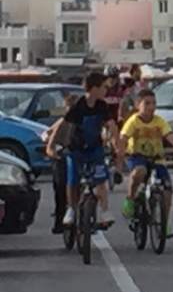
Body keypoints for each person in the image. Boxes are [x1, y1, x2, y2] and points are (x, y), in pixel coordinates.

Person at [45, 72, 124, 228]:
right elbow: (61, 124)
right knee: (73, 179)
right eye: (103, 87)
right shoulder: (79, 106)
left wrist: (118, 145)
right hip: (76, 148)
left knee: (100, 180)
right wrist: (51, 145)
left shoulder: (101, 106)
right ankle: (71, 208)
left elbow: (112, 126)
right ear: (94, 88)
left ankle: (104, 210)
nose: (106, 90)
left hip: (95, 148)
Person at [120, 89, 173, 238]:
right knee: (140, 171)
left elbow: (169, 134)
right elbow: (123, 138)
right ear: (138, 104)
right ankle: (130, 199)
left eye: (154, 103)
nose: (151, 107)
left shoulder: (159, 121)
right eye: (147, 103)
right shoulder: (133, 121)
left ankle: (163, 223)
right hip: (137, 156)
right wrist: (121, 151)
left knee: (166, 190)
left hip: (156, 158)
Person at [44, 93, 80, 234]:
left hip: (79, 155)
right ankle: (60, 219)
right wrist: (51, 146)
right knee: (60, 186)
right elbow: (47, 134)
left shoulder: (84, 121)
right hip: (61, 156)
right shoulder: (61, 122)